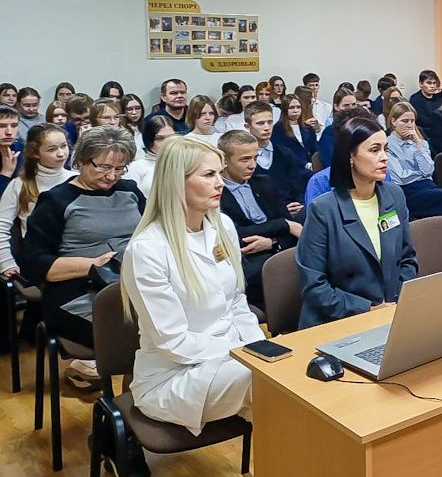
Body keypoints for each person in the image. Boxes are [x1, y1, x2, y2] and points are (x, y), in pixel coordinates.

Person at [121, 136, 264, 446]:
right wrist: (242, 352)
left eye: (220, 173)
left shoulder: (223, 225)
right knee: (272, 386)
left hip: (230, 358)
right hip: (173, 376)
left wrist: (260, 347)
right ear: (176, 182)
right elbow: (172, 341)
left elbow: (236, 301)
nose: (221, 183)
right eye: (209, 174)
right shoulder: (147, 249)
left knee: (281, 380)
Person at [23, 126, 143, 388]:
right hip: (77, 292)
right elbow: (34, 262)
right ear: (80, 160)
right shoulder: (56, 201)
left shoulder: (130, 191)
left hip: (133, 285)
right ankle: (126, 403)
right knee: (142, 335)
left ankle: (133, 395)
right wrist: (93, 265)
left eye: (119, 168)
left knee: (169, 323)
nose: (111, 176)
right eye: (103, 167)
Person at [297, 117, 418, 329]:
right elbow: (314, 285)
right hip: (341, 319)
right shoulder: (323, 210)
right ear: (350, 156)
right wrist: (368, 310)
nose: (384, 157)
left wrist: (395, 302)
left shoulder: (394, 195)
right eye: (374, 150)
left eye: (386, 149)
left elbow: (407, 259)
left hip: (391, 312)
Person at [218, 130, 302, 308]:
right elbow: (235, 233)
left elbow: (292, 229)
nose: (252, 165)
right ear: (224, 161)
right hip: (247, 259)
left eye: (255, 158)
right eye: (244, 159)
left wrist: (273, 242)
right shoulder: (217, 191)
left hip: (279, 249)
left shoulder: (265, 183)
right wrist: (282, 225)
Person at [0, 124, 74, 281]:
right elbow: (1, 226)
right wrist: (6, 262)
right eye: (52, 149)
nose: (61, 153)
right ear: (35, 153)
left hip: (74, 252)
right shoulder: (20, 184)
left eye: (64, 146)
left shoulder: (77, 179)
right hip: (39, 258)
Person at [386, 102, 442, 218]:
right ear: (393, 121)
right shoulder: (387, 145)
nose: (409, 125)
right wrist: (421, 173)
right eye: (405, 121)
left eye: (412, 121)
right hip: (408, 190)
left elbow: (429, 170)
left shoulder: (421, 143)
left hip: (428, 185)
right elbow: (401, 178)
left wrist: (418, 144)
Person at [240, 102, 308, 214]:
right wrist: (281, 210)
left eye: (270, 122)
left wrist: (298, 205)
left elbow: (297, 188)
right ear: (248, 127)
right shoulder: (243, 158)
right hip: (263, 214)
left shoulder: (285, 153)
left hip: (292, 210)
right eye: (260, 123)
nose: (267, 128)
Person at [304, 108, 372, 206]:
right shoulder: (320, 182)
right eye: (374, 150)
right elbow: (317, 215)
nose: (384, 157)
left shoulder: (383, 175)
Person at [124, 116, 174, 196]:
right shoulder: (136, 167)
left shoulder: (184, 164)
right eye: (160, 138)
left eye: (172, 137)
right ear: (149, 139)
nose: (167, 142)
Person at [271, 94, 318, 170]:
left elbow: (315, 148)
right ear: (285, 109)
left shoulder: (308, 128)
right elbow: (282, 153)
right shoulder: (278, 129)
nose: (296, 111)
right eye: (291, 108)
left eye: (298, 107)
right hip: (291, 168)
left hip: (311, 166)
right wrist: (306, 165)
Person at [317, 88, 360, 168]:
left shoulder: (360, 128)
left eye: (354, 104)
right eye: (346, 105)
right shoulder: (329, 133)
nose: (351, 109)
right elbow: (330, 162)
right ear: (336, 107)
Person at [0, 106, 24, 196]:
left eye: (14, 126)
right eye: (2, 126)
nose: (9, 132)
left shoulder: (23, 150)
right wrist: (6, 173)